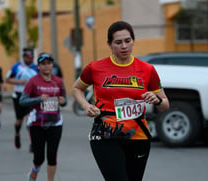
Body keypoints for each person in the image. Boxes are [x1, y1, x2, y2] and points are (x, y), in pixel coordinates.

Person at [72, 21, 170, 181]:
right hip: (105, 135)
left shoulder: (147, 70)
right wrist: (86, 105)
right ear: (109, 44)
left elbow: (165, 105)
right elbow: (77, 89)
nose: (124, 46)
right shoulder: (95, 68)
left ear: (133, 41)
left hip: (138, 136)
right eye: (118, 42)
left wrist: (157, 99)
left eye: (127, 41)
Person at [20, 52, 67, 181]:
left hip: (55, 122)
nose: (46, 66)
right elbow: (22, 101)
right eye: (43, 64)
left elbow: (65, 100)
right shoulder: (33, 81)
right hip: (37, 123)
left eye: (49, 63)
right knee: (39, 157)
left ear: (52, 65)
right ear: (38, 67)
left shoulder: (58, 81)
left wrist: (63, 101)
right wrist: (38, 99)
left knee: (52, 155)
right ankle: (35, 170)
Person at [6, 48, 38, 149]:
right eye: (28, 57)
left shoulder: (36, 68)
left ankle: (33, 143)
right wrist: (18, 82)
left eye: (31, 57)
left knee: (30, 120)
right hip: (19, 96)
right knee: (19, 120)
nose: (30, 59)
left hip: (31, 96)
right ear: (24, 57)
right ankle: (17, 134)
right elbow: (7, 79)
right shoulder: (16, 67)